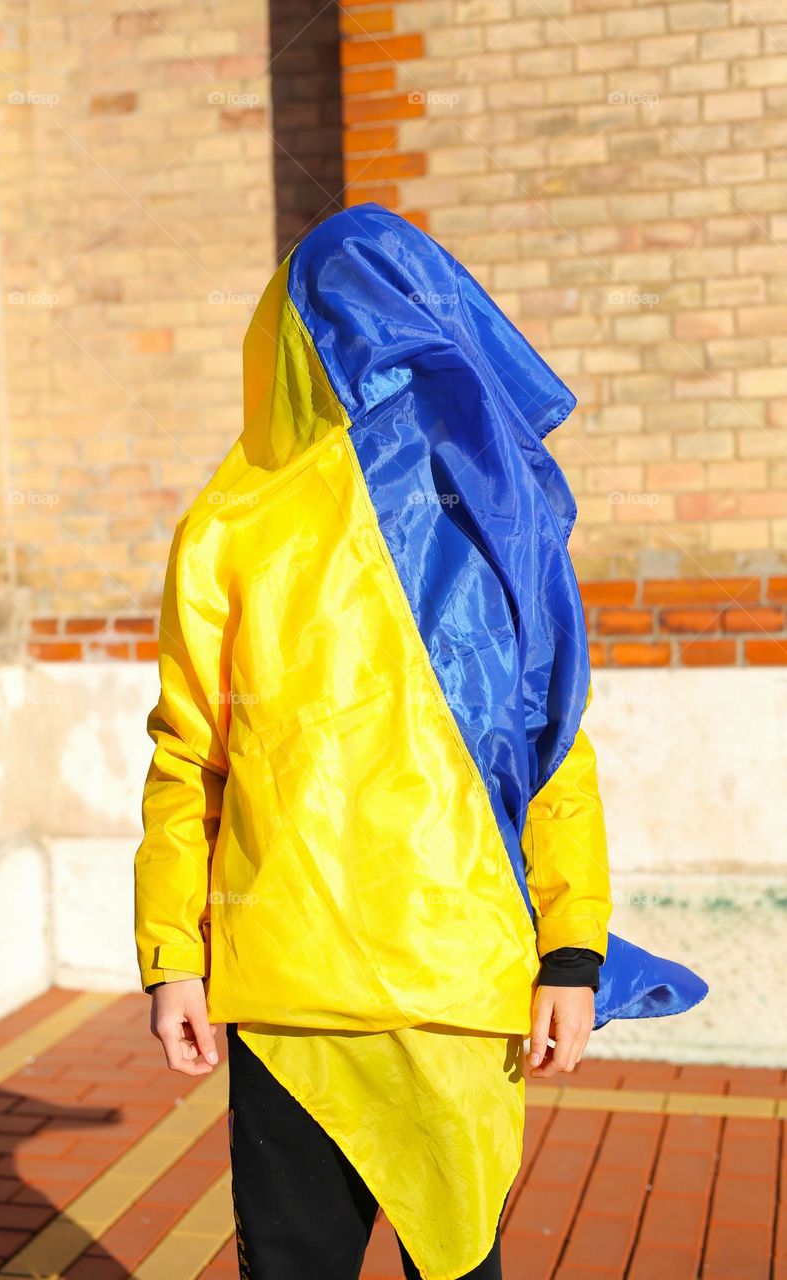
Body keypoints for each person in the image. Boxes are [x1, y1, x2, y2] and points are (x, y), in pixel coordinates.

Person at [134, 203, 707, 1280]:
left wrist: (573, 951)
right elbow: (555, 751)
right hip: (369, 998)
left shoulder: (259, 517)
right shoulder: (474, 503)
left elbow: (547, 745)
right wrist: (171, 959)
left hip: (362, 991)